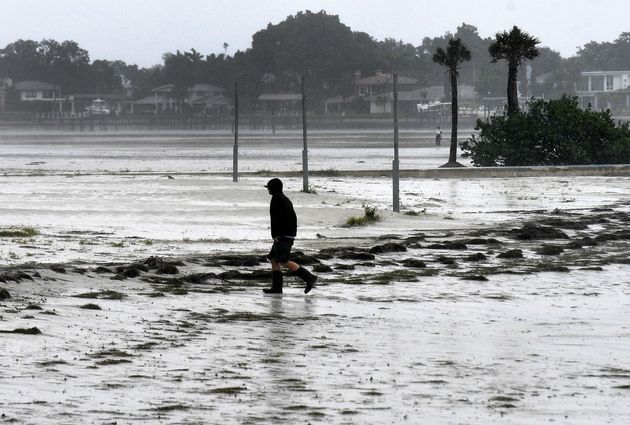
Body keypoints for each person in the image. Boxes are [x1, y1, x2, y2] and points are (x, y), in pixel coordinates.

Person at [263, 178, 317, 294]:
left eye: (268, 187)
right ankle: (277, 288)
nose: (268, 190)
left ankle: (309, 277)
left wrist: (275, 235)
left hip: (284, 235)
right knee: (273, 258)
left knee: (282, 260)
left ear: (273, 188)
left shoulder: (276, 199)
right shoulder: (284, 199)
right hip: (287, 233)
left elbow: (275, 219)